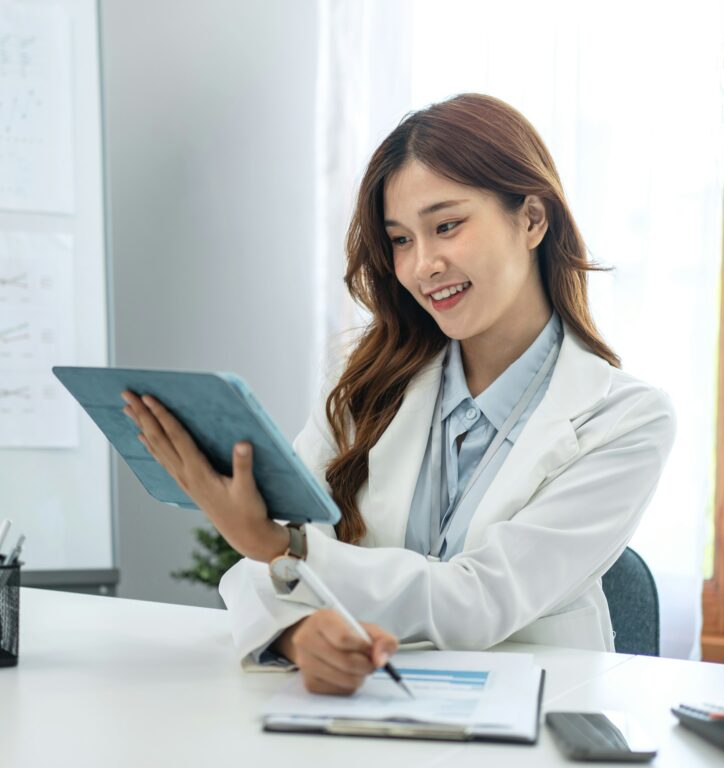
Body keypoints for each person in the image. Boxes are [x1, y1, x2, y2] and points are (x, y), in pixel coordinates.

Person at [122, 93, 675, 697]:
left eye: (446, 226)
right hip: (364, 709)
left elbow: (481, 599)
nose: (422, 266)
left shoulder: (626, 420)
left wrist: (284, 548)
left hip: (535, 716)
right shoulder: (365, 381)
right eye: (401, 240)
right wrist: (298, 635)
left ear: (532, 220)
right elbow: (259, 567)